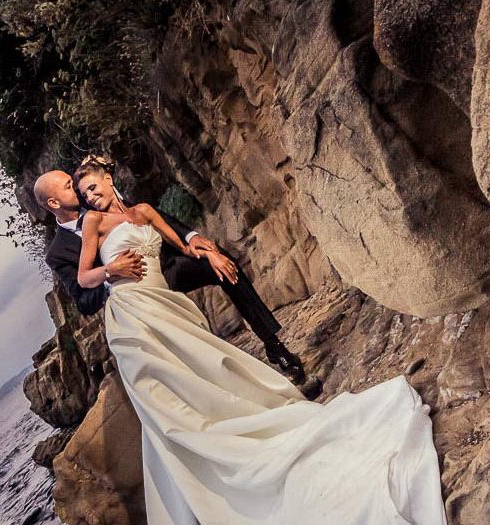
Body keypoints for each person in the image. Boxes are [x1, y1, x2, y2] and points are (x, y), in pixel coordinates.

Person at [65, 158, 484, 525]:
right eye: (82, 192)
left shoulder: (142, 209)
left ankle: (242, 408)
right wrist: (108, 274)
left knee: (208, 376)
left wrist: (206, 247)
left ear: (110, 178)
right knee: (166, 409)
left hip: (166, 305)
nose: (91, 196)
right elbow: (81, 280)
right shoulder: (92, 228)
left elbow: (178, 244)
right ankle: (195, 466)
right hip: (131, 320)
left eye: (93, 185)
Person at [37, 161, 321, 398]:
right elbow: (84, 300)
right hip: (135, 294)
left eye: (75, 185)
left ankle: (275, 346)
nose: (78, 191)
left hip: (168, 267)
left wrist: (193, 240)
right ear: (53, 202)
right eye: (68, 187)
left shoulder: (99, 198)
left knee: (221, 261)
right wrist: (115, 275)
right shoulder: (60, 251)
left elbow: (150, 218)